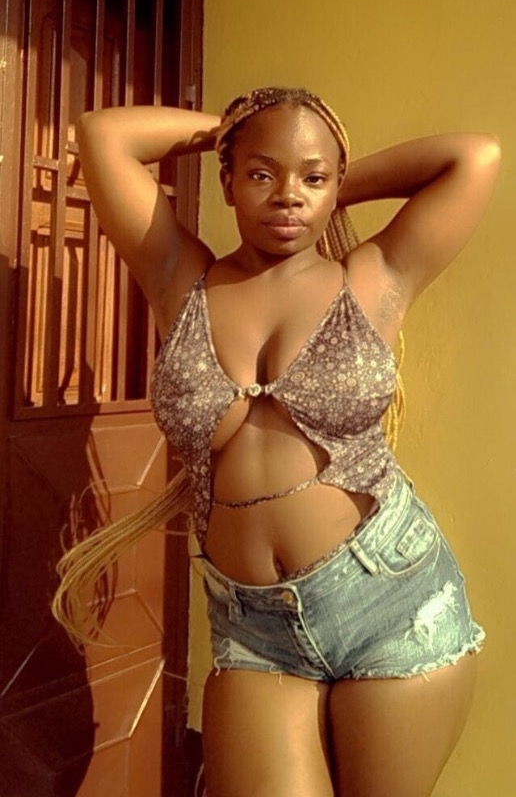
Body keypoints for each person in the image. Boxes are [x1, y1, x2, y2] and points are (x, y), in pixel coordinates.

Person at [53, 87, 501, 796]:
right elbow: (103, 135)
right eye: (262, 174)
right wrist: (237, 130)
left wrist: (327, 177)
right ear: (228, 181)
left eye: (312, 179)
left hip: (390, 600)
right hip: (255, 627)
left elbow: (475, 158)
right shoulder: (180, 280)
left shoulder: (372, 278)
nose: (289, 195)